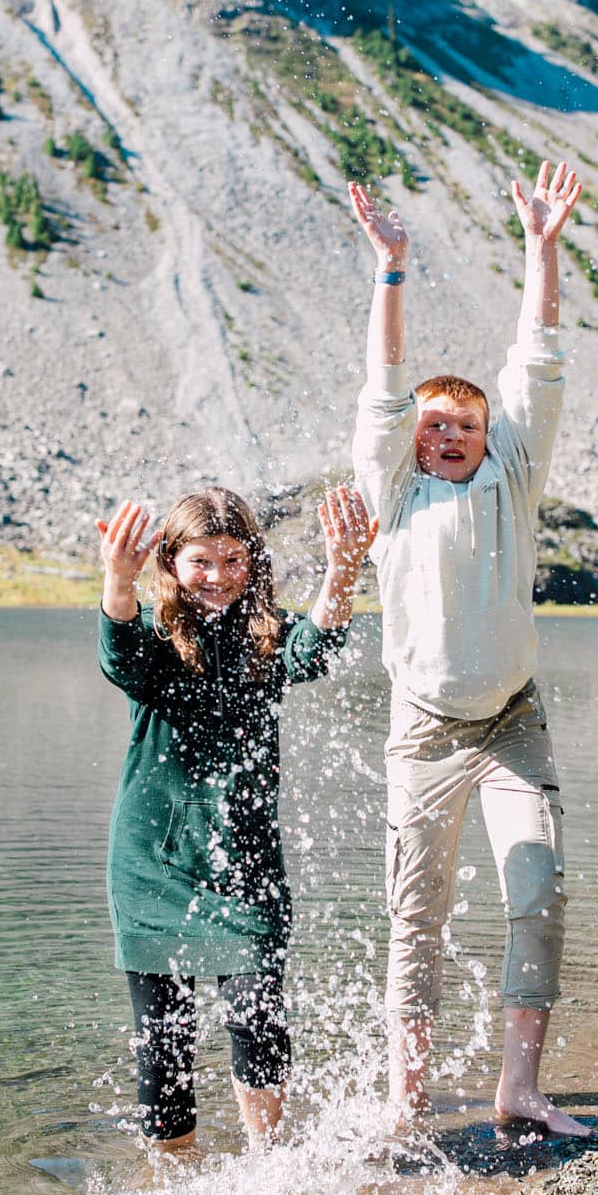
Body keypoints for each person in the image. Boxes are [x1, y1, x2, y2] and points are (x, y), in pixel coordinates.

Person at [349, 159, 592, 1137]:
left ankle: (518, 1088)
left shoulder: (515, 475)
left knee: (537, 889)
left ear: (493, 438)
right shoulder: (394, 489)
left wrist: (543, 247)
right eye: (433, 424)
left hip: (513, 723)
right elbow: (382, 384)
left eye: (465, 423)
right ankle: (404, 1105)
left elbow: (536, 357)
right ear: (412, 442)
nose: (445, 432)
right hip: (424, 733)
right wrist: (391, 269)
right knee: (418, 915)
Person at [96, 484, 374, 1152]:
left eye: (230, 559)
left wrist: (342, 569)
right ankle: (171, 1179)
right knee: (162, 1041)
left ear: (252, 560)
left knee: (257, 1017)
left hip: (246, 866)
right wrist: (116, 578)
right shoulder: (158, 638)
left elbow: (318, 650)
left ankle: (266, 1164)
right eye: (200, 561)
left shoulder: (265, 638)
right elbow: (119, 656)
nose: (216, 576)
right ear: (170, 563)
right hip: (152, 866)